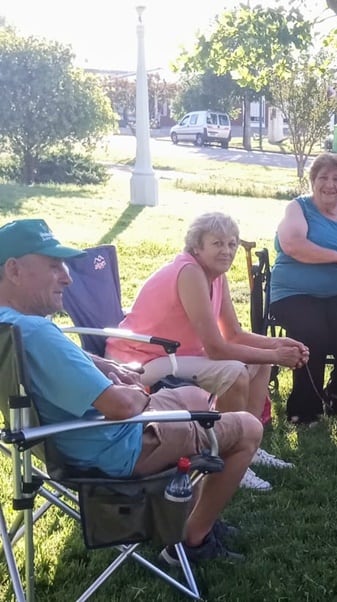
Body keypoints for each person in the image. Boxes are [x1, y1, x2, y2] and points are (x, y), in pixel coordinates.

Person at [0, 218, 257, 563]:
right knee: (248, 428)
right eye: (53, 266)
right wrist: (139, 390)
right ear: (14, 270)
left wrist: (105, 366)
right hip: (116, 447)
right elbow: (121, 406)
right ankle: (192, 539)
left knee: (197, 398)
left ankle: (188, 513)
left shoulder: (12, 326)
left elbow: (63, 357)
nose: (67, 276)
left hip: (69, 442)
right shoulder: (37, 332)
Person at [106, 212, 309, 491]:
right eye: (217, 244)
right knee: (236, 371)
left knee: (258, 365)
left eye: (232, 244)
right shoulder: (190, 272)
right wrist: (276, 356)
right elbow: (216, 348)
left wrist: (277, 345)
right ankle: (227, 456)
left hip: (175, 354)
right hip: (141, 358)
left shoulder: (216, 276)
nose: (227, 251)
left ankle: (248, 448)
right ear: (196, 247)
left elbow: (234, 334)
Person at [270, 152, 337, 425]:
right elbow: (293, 245)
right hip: (294, 292)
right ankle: (303, 407)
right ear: (313, 181)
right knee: (312, 332)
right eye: (323, 177)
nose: (330, 184)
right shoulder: (298, 208)